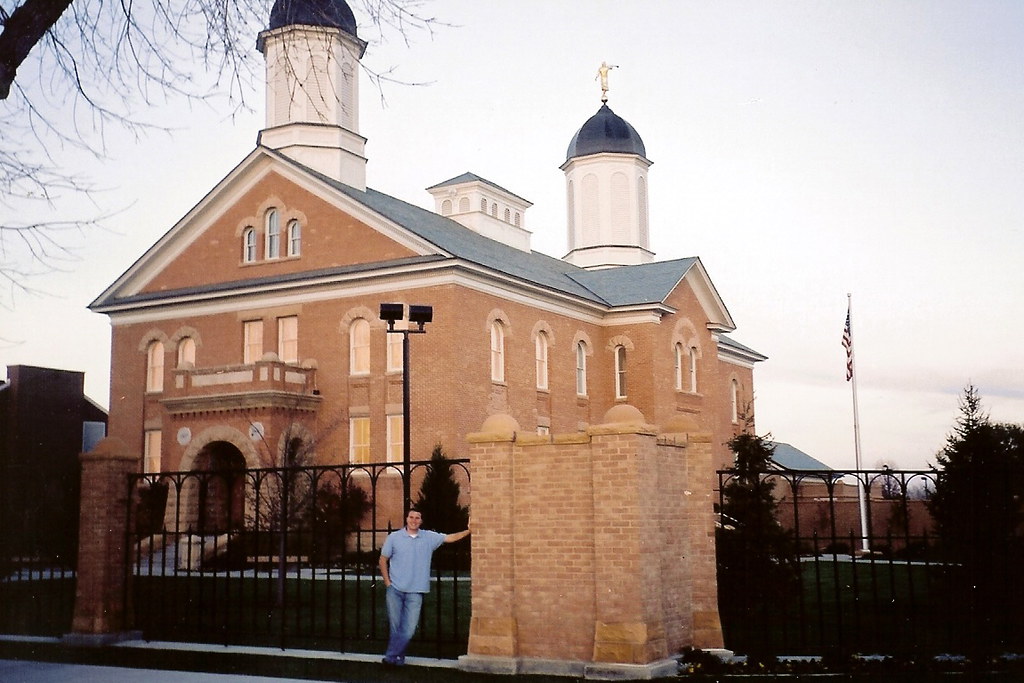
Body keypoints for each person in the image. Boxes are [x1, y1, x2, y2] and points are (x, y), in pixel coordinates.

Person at [378, 508, 470, 666]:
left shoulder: (429, 537)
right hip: (395, 590)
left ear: (421, 521)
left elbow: (449, 538)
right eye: (411, 517)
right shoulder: (394, 537)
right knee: (395, 627)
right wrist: (388, 583)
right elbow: (382, 559)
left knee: (409, 630)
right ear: (406, 519)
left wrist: (469, 531)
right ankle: (395, 659)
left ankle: (391, 657)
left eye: (417, 518)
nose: (414, 520)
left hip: (416, 591)